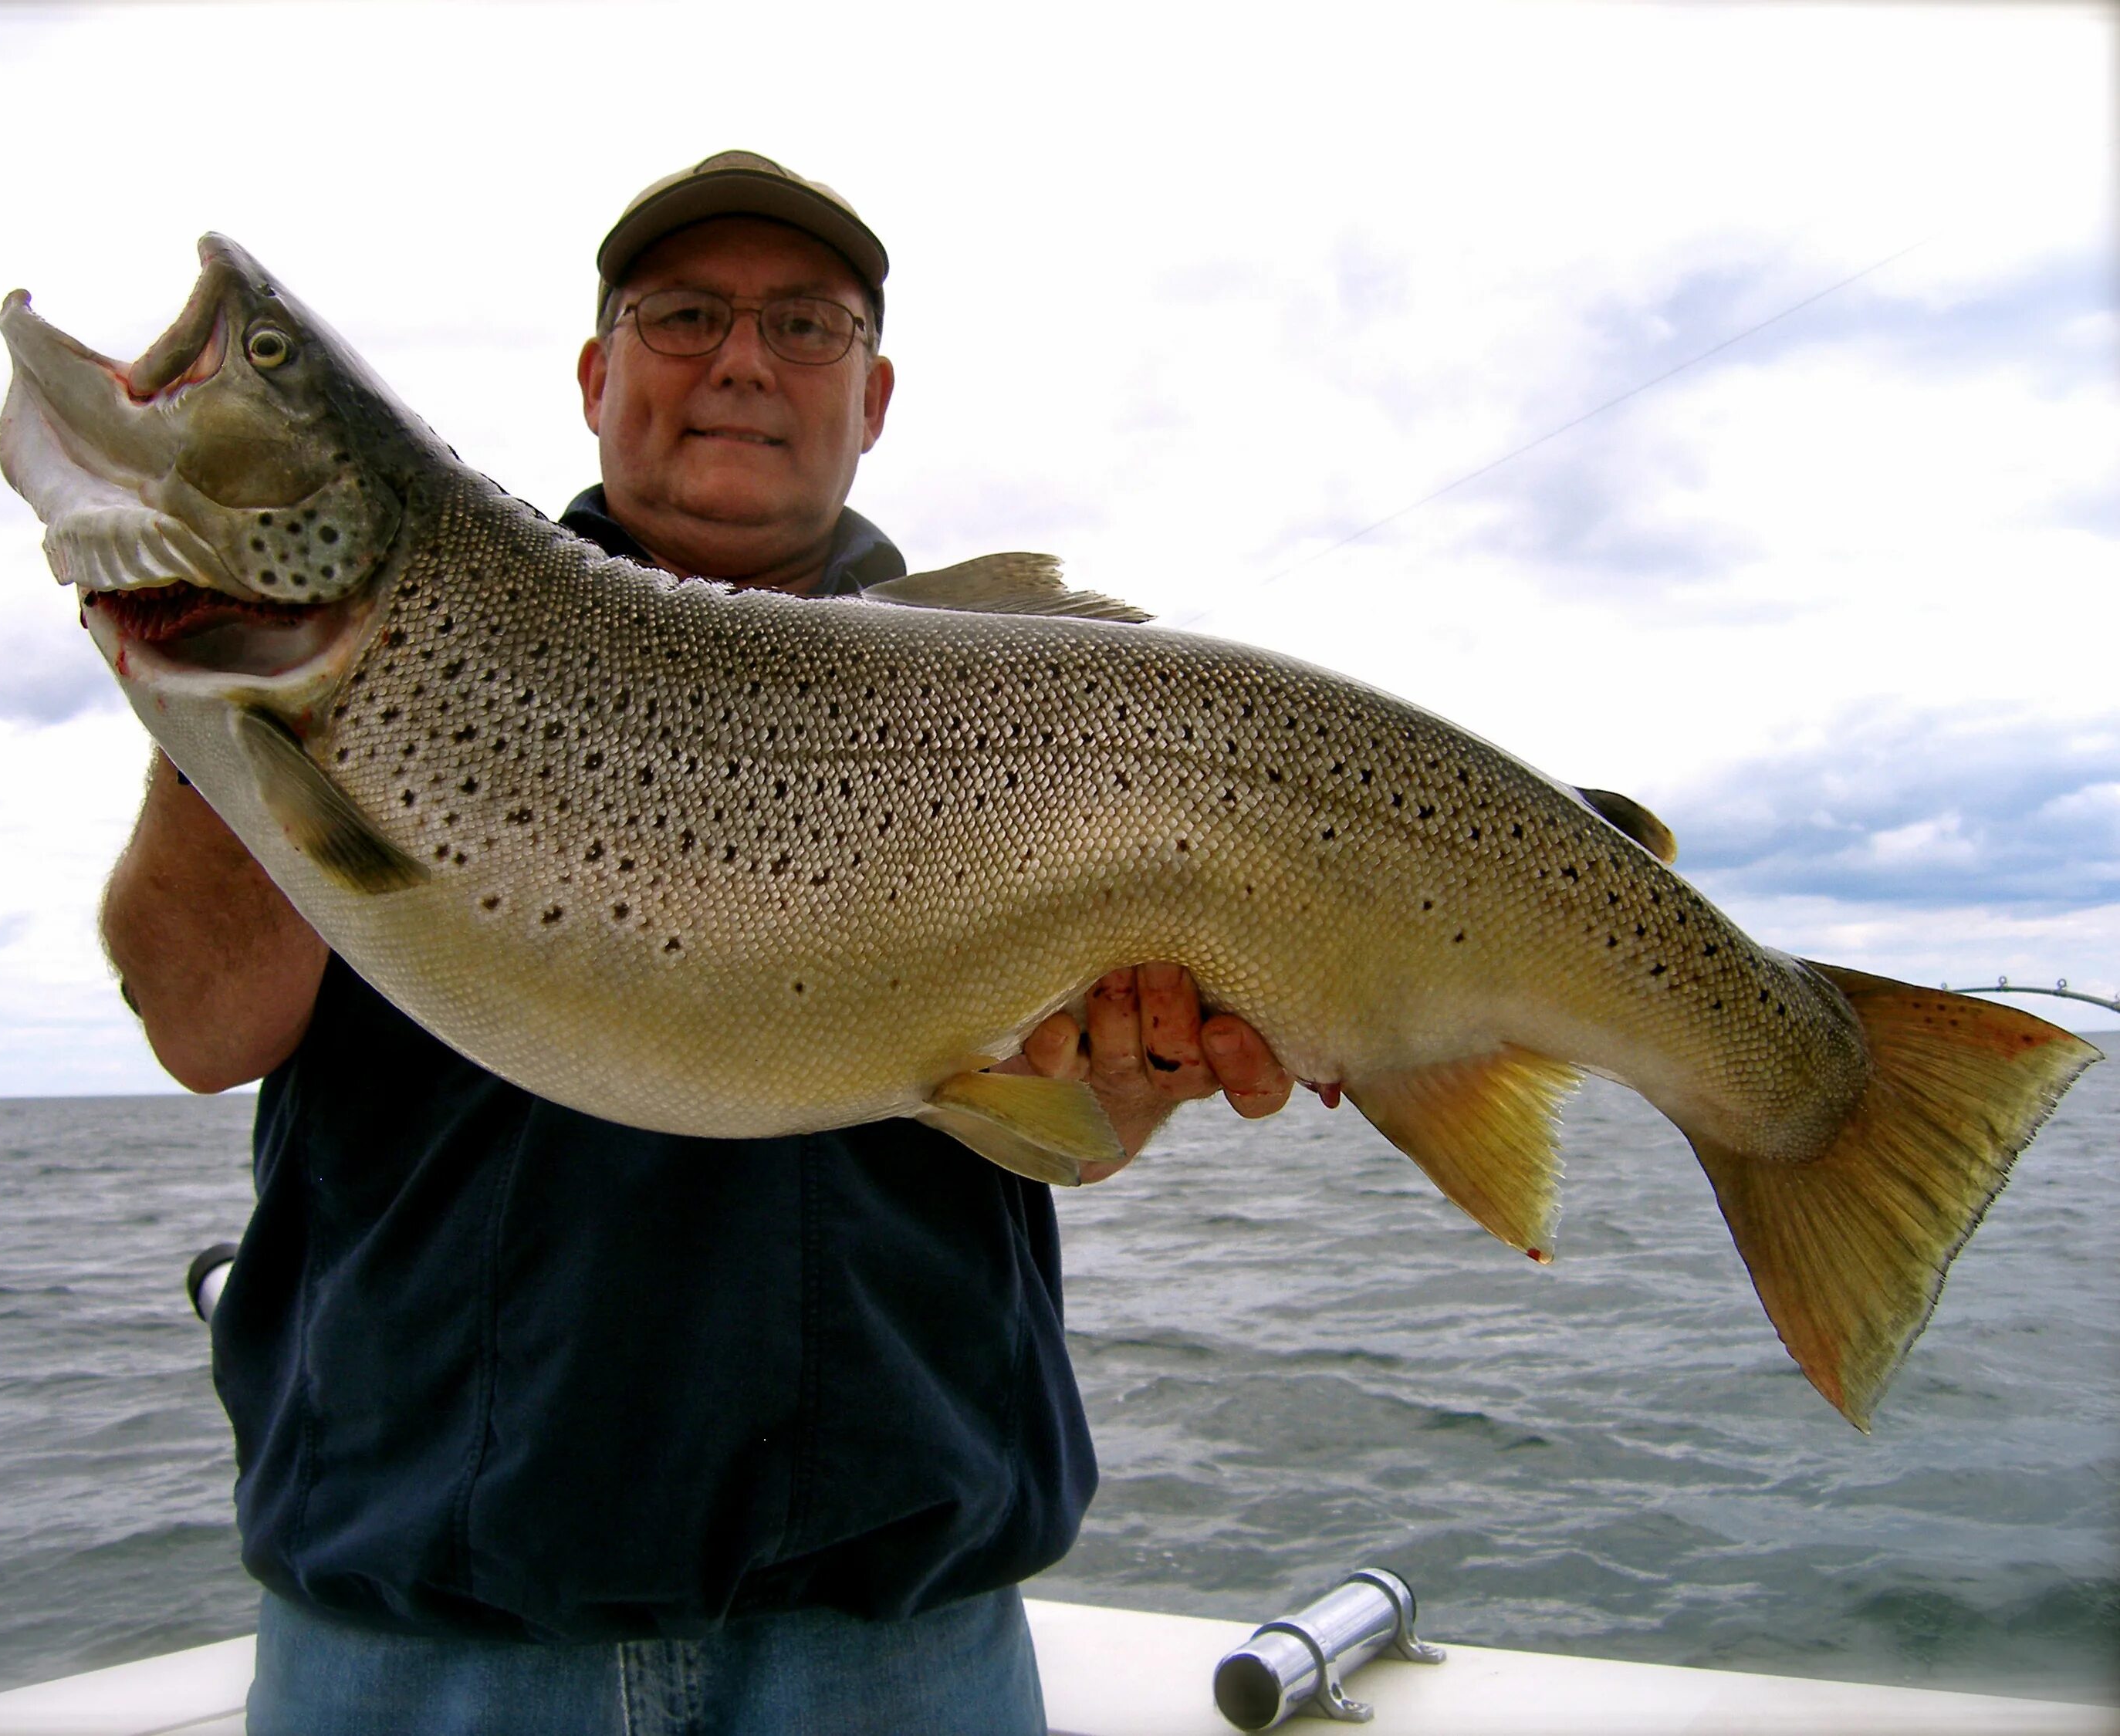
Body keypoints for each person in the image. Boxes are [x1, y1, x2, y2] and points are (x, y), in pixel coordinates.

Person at [101, 150, 1294, 1734]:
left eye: (808, 326)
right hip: (420, 1649)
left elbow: (1061, 1141)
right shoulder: (393, 643)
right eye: (684, 316)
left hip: (894, 1657)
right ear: (597, 374)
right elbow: (202, 1027)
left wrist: (1126, 1077)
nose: (742, 360)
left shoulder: (1046, 707)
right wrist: (232, 689)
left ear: (873, 399)